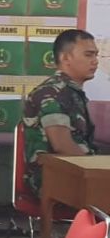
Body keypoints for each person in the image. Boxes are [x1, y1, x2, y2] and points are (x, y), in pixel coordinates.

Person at [22, 29, 100, 197]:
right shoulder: (52, 93)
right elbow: (62, 145)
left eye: (96, 55)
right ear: (65, 58)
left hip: (74, 173)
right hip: (54, 178)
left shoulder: (71, 92)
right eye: (88, 55)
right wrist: (96, 172)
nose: (95, 61)